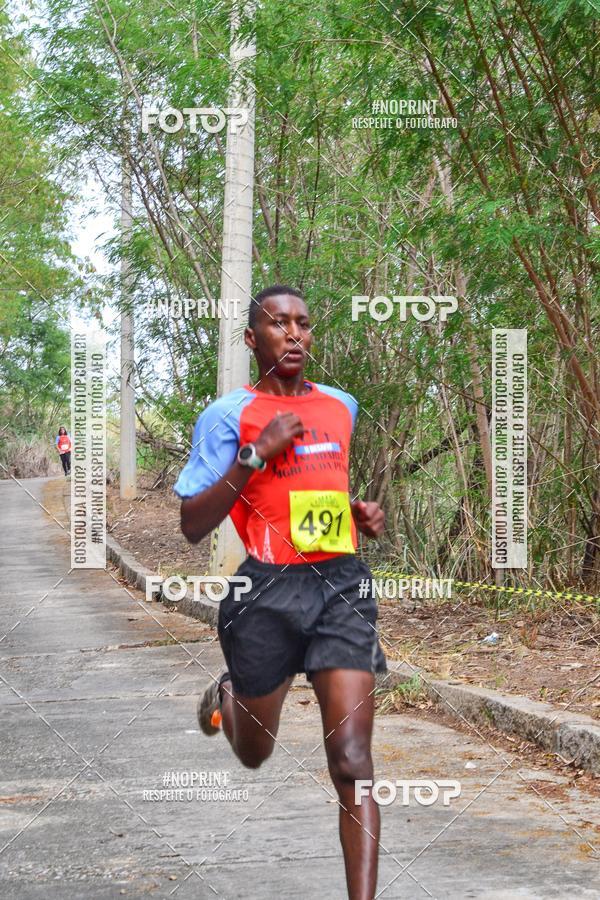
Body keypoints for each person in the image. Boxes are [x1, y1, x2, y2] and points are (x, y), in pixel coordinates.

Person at [174, 285, 387, 900]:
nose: (294, 334)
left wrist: (355, 513)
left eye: (303, 324)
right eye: (278, 324)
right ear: (251, 340)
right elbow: (193, 525)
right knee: (254, 751)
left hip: (341, 584)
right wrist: (253, 454)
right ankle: (227, 695)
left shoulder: (341, 407)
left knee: (351, 762)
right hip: (265, 590)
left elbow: (308, 497)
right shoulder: (226, 417)